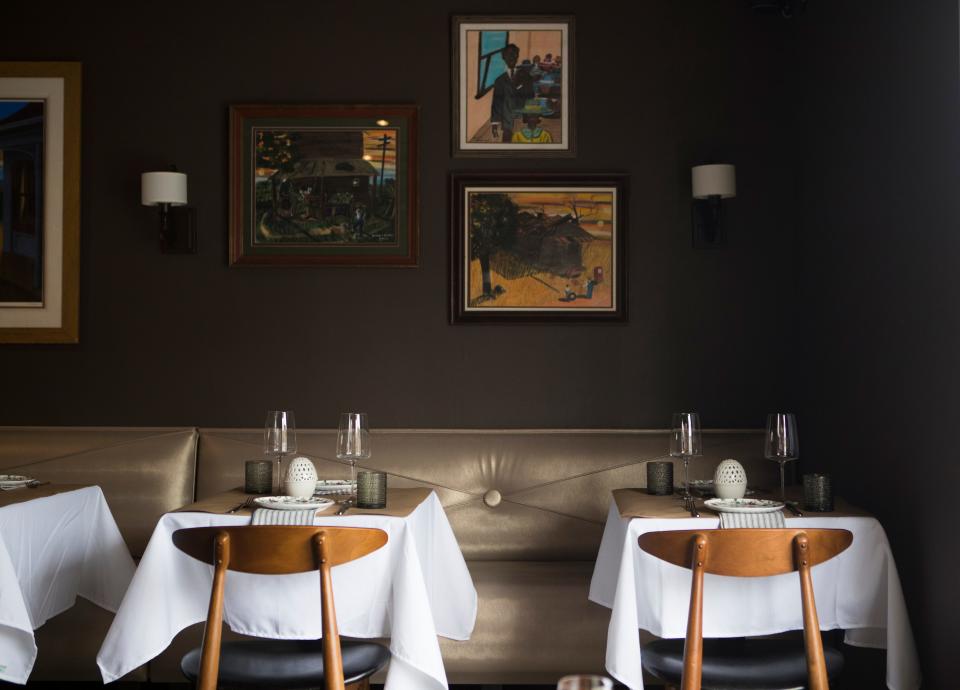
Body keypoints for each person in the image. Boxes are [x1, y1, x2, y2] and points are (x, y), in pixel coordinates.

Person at [491, 44, 534, 143]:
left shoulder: (526, 76)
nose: (511, 58)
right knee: (507, 142)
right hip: (507, 122)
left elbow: (531, 96)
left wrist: (518, 86)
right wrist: (494, 124)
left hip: (523, 119)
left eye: (514, 55)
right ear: (503, 57)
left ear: (517, 56)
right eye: (508, 55)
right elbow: (496, 103)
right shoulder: (499, 80)